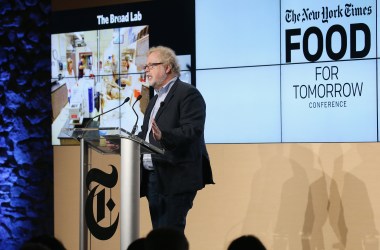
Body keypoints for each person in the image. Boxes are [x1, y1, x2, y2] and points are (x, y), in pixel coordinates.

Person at [137, 46, 214, 232]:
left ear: (168, 67)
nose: (146, 70)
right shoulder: (153, 100)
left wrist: (164, 136)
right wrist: (123, 143)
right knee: (159, 235)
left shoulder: (188, 94)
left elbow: (192, 131)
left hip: (175, 177)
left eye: (151, 65)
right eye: (146, 66)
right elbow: (146, 134)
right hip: (153, 178)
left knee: (169, 237)